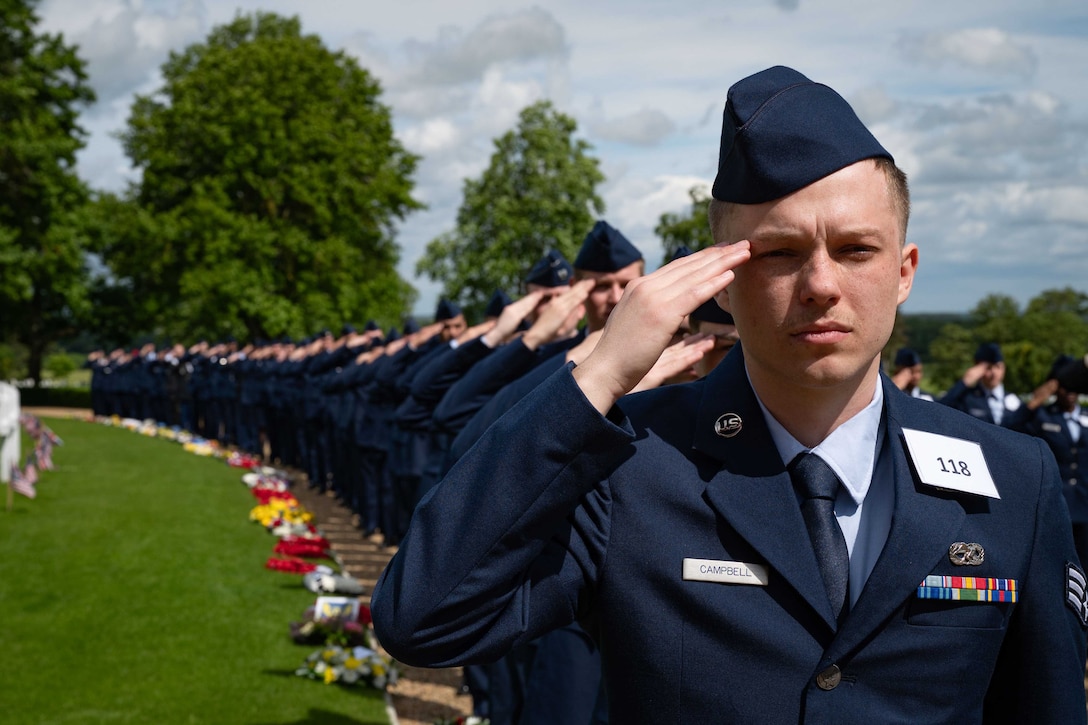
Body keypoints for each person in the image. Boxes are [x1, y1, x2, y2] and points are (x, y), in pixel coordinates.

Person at [372, 65, 1087, 723]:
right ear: (721, 278)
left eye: (856, 249)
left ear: (904, 272)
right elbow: (423, 619)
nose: (820, 284)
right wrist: (597, 376)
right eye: (777, 253)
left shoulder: (1012, 480)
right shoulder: (632, 470)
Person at [1006, 355, 1088, 568]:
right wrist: (1033, 403)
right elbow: (1007, 430)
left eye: (1075, 385)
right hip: (1056, 505)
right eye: (1064, 385)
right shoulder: (1043, 416)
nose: (1070, 391)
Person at [939, 342, 1020, 424]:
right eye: (988, 368)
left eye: (998, 367)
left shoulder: (1013, 400)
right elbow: (939, 409)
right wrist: (964, 382)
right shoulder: (967, 398)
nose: (994, 372)